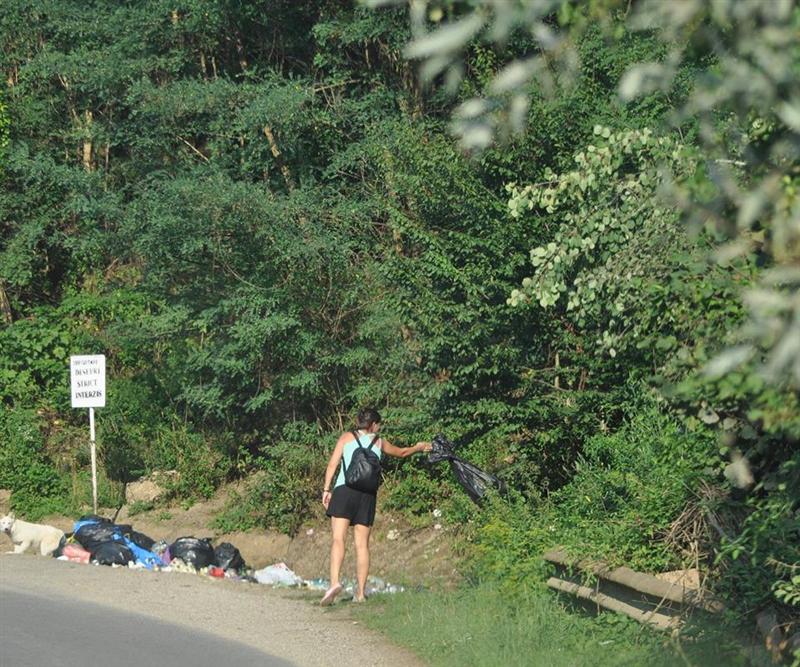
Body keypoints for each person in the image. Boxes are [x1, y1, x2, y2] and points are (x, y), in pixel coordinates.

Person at [320, 408, 431, 605]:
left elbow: (332, 465)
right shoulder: (379, 442)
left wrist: (326, 490)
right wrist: (419, 447)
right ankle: (361, 594)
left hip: (344, 491)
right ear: (373, 425)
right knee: (362, 545)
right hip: (367, 496)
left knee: (338, 539)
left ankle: (335, 583)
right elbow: (403, 453)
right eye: (378, 424)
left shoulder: (346, 438)